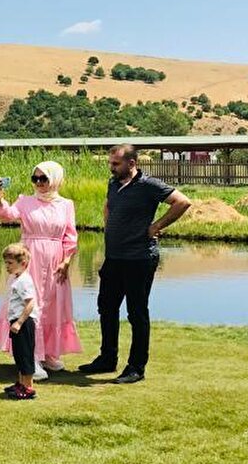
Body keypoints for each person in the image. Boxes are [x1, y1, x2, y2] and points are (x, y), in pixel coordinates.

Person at [78, 144, 191, 385]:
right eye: (110, 163)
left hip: (140, 259)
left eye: (116, 164)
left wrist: (156, 226)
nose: (112, 168)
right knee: (107, 308)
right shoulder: (113, 184)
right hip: (114, 258)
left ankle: (136, 367)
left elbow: (182, 202)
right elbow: (109, 206)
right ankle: (107, 359)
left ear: (132, 163)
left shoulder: (149, 185)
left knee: (136, 313)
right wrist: (109, 226)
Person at [0, 160, 82, 379]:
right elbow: (6, 214)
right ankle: (31, 356)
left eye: (44, 178)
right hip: (29, 259)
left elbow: (70, 235)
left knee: (52, 304)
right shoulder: (25, 201)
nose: (39, 183)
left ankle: (48, 353)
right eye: (35, 178)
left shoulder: (66, 204)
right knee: (30, 303)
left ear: (55, 179)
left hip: (55, 261)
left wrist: (67, 260)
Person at [0, 242, 39, 400]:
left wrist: (19, 322)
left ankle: (28, 387)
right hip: (17, 322)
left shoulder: (24, 281)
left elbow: (30, 303)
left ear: (22, 263)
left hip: (24, 323)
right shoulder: (18, 278)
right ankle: (21, 383)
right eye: (5, 263)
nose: (7, 267)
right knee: (18, 354)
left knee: (25, 355)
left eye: (10, 263)